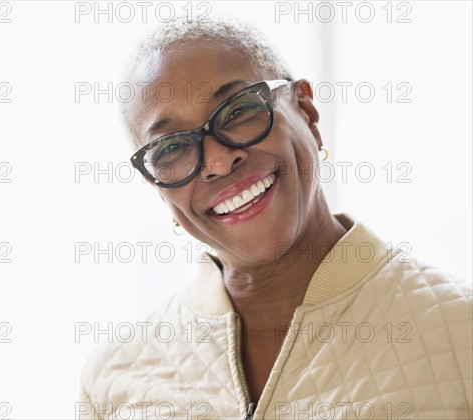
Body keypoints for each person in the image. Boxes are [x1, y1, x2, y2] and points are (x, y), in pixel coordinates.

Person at [78, 17, 472, 419]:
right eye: (171, 148)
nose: (217, 160)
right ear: (158, 188)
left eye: (239, 110)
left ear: (306, 110)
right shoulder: (114, 374)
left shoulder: (462, 332)